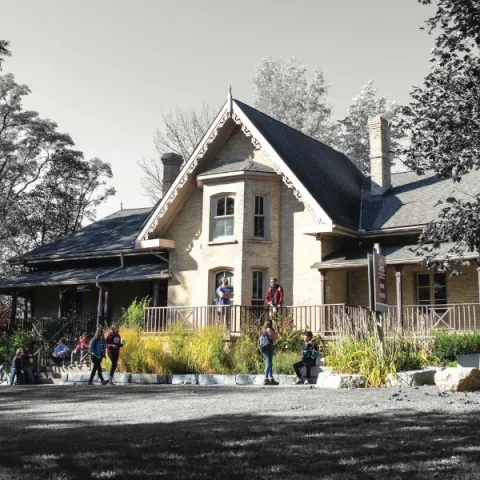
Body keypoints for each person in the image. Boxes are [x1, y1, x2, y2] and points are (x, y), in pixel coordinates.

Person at [259, 320, 279, 386]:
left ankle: (271, 378)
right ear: (270, 324)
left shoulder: (263, 330)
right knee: (268, 363)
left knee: (270, 363)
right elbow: (276, 337)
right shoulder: (268, 329)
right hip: (268, 348)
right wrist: (274, 333)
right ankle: (265, 379)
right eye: (272, 323)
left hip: (265, 348)